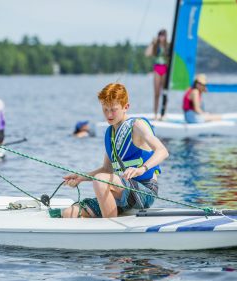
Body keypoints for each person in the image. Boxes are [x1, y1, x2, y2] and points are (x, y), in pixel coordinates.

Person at [62, 83, 169, 218]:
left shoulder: (137, 125)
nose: (109, 114)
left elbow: (162, 151)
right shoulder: (109, 133)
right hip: (122, 190)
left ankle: (110, 229)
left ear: (126, 107)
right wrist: (81, 177)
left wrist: (142, 169)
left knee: (101, 180)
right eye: (105, 110)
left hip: (144, 191)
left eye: (113, 109)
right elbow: (107, 170)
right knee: (69, 213)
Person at [145, 29, 169, 120]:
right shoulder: (156, 46)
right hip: (157, 69)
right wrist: (152, 43)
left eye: (163, 35)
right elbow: (147, 54)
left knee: (165, 92)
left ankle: (164, 113)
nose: (161, 37)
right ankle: (155, 113)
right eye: (160, 35)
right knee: (157, 93)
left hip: (165, 69)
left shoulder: (168, 45)